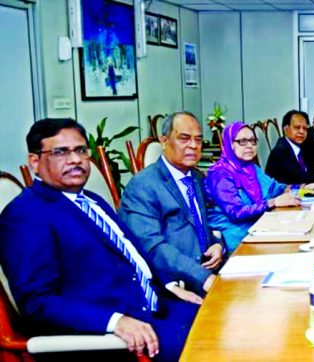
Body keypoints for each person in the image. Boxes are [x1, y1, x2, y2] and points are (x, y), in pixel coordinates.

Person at [0, 118, 198, 361]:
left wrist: (168, 285)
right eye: (60, 152)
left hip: (156, 305)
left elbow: (130, 254)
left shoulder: (91, 199)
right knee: (219, 348)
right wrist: (115, 322)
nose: (75, 160)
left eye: (81, 150)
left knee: (230, 321)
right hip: (111, 333)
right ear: (34, 162)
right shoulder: (26, 215)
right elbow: (38, 302)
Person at [120, 111, 225, 297]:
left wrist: (217, 245)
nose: (193, 146)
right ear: (164, 141)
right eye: (184, 138)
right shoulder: (143, 185)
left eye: (198, 140)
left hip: (210, 269)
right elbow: (152, 246)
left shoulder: (195, 177)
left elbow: (199, 224)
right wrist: (203, 277)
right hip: (175, 284)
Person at [205, 122, 314, 252]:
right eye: (243, 141)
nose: (250, 146)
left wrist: (304, 187)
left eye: (253, 141)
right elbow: (236, 212)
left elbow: (276, 188)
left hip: (259, 226)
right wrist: (272, 203)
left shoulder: (250, 167)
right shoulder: (220, 174)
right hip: (236, 237)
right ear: (230, 144)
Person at [265, 110, 314, 185]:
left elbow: (312, 168)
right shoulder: (280, 152)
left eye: (305, 128)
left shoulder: (301, 146)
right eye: (297, 127)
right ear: (286, 129)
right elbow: (299, 177)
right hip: (283, 194)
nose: (301, 132)